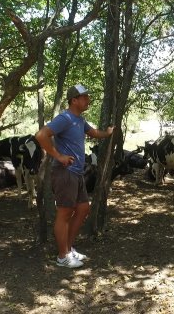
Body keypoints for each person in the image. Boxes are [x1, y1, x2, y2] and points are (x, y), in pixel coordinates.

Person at [35, 84, 114, 268]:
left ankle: (68, 249)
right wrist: (59, 156)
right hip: (65, 173)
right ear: (74, 100)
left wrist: (108, 133)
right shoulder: (65, 118)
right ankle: (62, 256)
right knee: (64, 213)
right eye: (85, 97)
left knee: (83, 208)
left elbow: (93, 132)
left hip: (77, 173)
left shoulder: (79, 120)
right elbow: (41, 135)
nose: (88, 100)